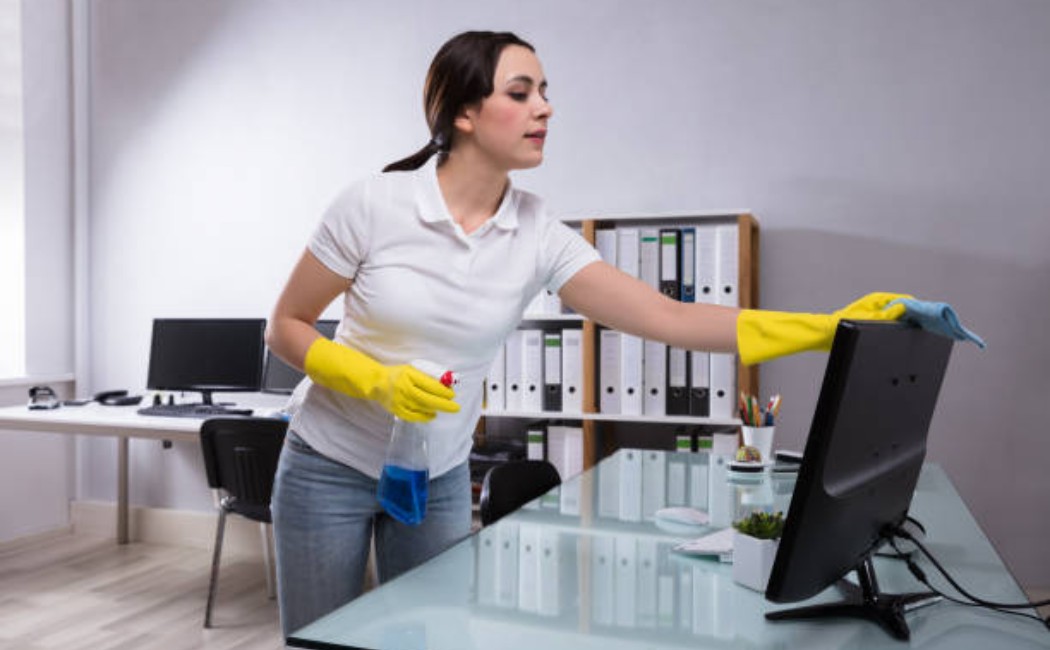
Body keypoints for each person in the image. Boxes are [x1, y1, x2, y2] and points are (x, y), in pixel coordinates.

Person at [265, 30, 908, 635]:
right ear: (464, 112)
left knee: (428, 639)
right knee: (319, 640)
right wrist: (370, 379)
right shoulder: (374, 205)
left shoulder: (537, 232)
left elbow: (668, 316)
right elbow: (285, 325)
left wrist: (829, 328)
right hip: (329, 465)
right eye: (521, 93)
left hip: (437, 477)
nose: (544, 108)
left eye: (545, 92)